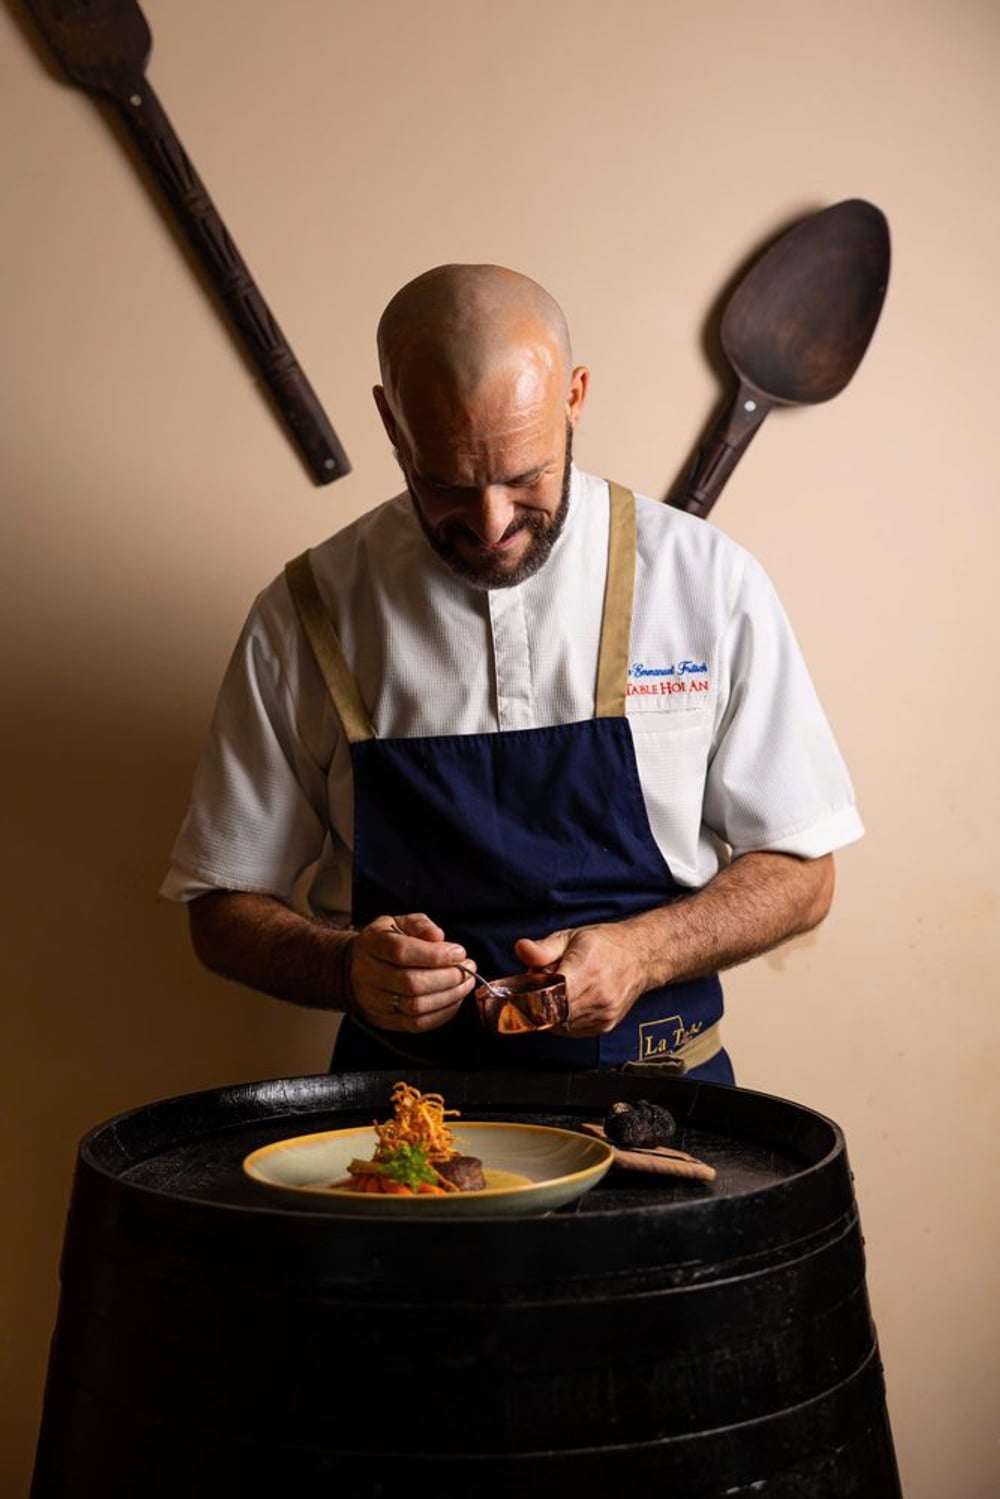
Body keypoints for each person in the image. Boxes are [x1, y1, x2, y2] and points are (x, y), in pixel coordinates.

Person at [161, 262, 863, 1083]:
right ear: (391, 422)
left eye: (524, 476)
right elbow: (221, 908)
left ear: (574, 396)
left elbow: (805, 871)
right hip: (396, 1123)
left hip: (663, 1107)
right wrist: (347, 966)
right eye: (446, 481)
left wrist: (645, 951)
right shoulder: (306, 611)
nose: (491, 523)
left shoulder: (708, 582)